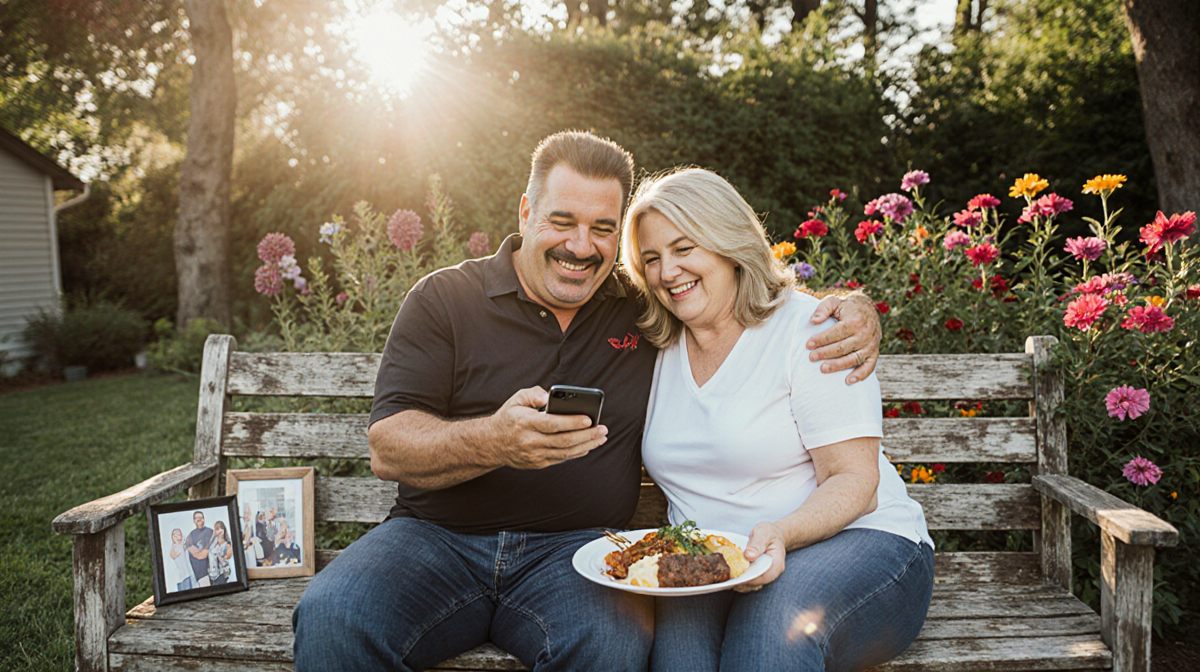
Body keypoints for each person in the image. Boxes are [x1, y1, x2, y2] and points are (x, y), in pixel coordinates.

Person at [292, 131, 883, 672]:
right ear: (526, 213)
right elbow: (389, 448)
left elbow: (739, 302)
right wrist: (493, 440)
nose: (581, 246)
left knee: (613, 644)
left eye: (603, 227)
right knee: (333, 619)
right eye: (562, 220)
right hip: (435, 537)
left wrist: (855, 308)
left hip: (577, 550)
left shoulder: (645, 303)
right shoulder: (445, 299)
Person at [622, 168, 935, 672]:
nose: (667, 272)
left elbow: (856, 480)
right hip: (717, 563)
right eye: (652, 259)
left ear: (728, 242)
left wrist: (782, 534)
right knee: (681, 660)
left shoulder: (809, 333)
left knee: (773, 628)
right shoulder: (656, 346)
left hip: (861, 541)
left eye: (684, 249)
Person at [185, 511, 214, 588]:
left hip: (214, 571)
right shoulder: (191, 535)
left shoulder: (210, 531)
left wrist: (203, 551)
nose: (199, 520)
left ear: (204, 519)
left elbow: (203, 554)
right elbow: (195, 554)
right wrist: (200, 552)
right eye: (196, 518)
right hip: (201, 574)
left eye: (201, 518)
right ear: (194, 521)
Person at [208, 520, 234, 585]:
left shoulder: (227, 543)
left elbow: (227, 556)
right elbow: (209, 551)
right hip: (212, 573)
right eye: (217, 529)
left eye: (221, 530)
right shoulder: (213, 542)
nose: (219, 532)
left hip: (221, 573)